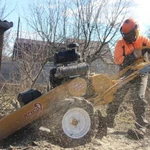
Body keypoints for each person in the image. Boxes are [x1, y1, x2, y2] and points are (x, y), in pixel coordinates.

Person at [105, 18, 150, 139]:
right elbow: (117, 59)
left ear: (135, 31)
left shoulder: (144, 40)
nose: (127, 37)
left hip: (141, 73)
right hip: (126, 73)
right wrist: (133, 56)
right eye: (125, 35)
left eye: (129, 35)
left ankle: (141, 126)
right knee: (117, 96)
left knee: (138, 97)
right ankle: (108, 122)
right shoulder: (121, 43)